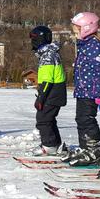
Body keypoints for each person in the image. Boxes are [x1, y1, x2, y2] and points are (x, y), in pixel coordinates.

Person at [61, 12, 100, 166]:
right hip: (83, 90)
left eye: (77, 30)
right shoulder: (85, 45)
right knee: (81, 119)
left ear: (87, 28)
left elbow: (99, 71)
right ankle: (85, 148)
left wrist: (99, 92)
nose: (75, 34)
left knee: (86, 119)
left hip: (91, 91)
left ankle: (94, 149)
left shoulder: (94, 46)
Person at [29, 25, 67, 156]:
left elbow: (47, 80)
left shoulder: (47, 55)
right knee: (49, 118)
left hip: (52, 92)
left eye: (34, 39)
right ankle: (55, 143)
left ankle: (49, 145)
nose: (32, 42)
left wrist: (41, 98)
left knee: (43, 119)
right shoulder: (50, 52)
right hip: (56, 91)